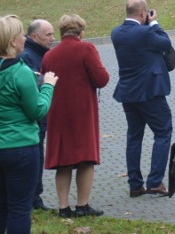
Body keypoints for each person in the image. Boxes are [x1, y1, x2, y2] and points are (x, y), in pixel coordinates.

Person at [42, 14, 110, 218]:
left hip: (57, 112)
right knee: (85, 159)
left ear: (61, 33)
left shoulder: (49, 55)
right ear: (81, 32)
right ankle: (82, 204)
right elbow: (102, 79)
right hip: (82, 112)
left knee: (63, 161)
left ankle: (63, 207)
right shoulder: (86, 48)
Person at [111, 0, 173, 198]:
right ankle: (155, 181)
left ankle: (135, 184)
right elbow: (165, 42)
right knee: (163, 132)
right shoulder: (146, 31)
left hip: (128, 92)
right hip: (149, 91)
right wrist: (154, 23)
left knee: (134, 136)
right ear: (143, 13)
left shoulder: (116, 33)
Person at [0, 15, 57, 232]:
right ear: (12, 41)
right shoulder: (20, 72)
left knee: (2, 207)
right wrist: (48, 86)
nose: (24, 38)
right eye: (20, 35)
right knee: (19, 208)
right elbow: (37, 110)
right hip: (20, 148)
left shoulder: (19, 70)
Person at [17, 19, 55, 212]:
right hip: (33, 119)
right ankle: (33, 199)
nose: (53, 38)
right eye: (48, 35)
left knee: (38, 157)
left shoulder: (39, 53)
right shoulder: (28, 57)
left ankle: (34, 197)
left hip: (39, 118)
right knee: (35, 159)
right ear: (34, 36)